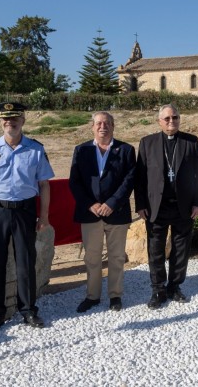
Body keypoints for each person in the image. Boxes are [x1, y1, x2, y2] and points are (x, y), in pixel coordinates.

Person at [0, 102, 54, 333]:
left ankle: (28, 310)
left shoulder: (35, 149)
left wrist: (43, 216)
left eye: (14, 118)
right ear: (0, 122)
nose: (10, 122)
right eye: (5, 119)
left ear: (23, 120)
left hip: (25, 211)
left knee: (26, 261)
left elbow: (44, 185)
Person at [135, 104, 198, 309]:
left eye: (175, 117)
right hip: (156, 206)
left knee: (181, 249)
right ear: (159, 121)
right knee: (155, 250)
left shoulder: (190, 141)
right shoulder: (147, 143)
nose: (171, 121)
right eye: (167, 118)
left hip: (184, 206)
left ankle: (174, 286)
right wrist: (140, 205)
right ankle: (158, 289)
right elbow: (139, 177)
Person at [68, 111, 136, 313]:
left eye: (107, 123)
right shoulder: (81, 150)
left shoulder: (126, 150)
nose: (102, 126)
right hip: (90, 213)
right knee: (92, 257)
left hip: (117, 212)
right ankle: (92, 296)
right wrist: (91, 204)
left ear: (113, 126)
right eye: (98, 123)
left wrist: (112, 203)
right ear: (92, 127)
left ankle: (115, 295)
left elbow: (129, 180)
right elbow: (75, 182)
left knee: (116, 257)